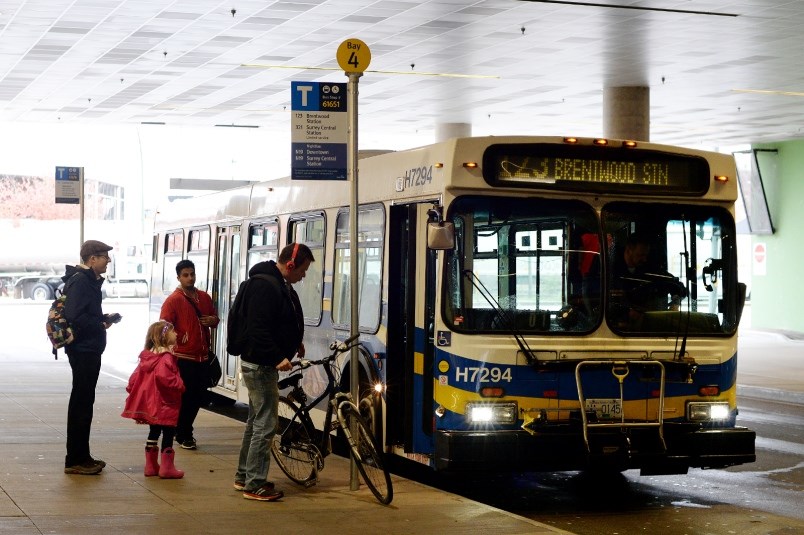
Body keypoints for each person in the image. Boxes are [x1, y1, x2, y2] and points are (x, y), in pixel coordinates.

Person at [234, 242, 313, 501]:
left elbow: (277, 320)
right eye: (302, 270)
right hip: (261, 365)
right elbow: (258, 328)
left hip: (260, 362)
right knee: (266, 424)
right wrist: (278, 355)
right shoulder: (265, 286)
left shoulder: (275, 283)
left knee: (256, 421)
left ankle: (244, 475)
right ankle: (255, 484)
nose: (303, 275)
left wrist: (294, 341)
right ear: (290, 265)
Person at [62, 239, 121, 475]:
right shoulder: (81, 282)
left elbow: (83, 313)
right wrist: (100, 322)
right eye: (105, 256)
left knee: (84, 403)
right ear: (92, 259)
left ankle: (81, 456)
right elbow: (75, 316)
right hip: (83, 350)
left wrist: (104, 318)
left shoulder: (87, 281)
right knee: (81, 404)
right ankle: (75, 459)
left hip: (88, 348)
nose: (108, 260)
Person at [159, 259, 219, 450]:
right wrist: (179, 338)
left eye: (192, 274)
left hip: (202, 356)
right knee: (185, 398)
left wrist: (213, 320)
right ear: (178, 277)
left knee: (198, 397)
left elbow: (214, 318)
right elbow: (163, 328)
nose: (190, 278)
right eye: (185, 275)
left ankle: (182, 430)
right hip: (183, 358)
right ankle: (184, 433)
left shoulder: (204, 297)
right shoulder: (173, 300)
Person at [121, 320, 186, 479]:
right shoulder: (166, 357)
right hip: (166, 403)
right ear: (163, 337)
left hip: (151, 404)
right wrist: (180, 385)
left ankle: (150, 466)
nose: (176, 334)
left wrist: (136, 391)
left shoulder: (147, 356)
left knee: (154, 431)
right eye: (173, 331)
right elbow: (165, 378)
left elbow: (134, 379)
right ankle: (167, 467)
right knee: (169, 433)